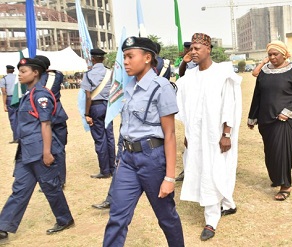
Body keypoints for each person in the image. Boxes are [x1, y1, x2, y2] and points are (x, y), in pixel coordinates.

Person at [103, 37, 184, 246]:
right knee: (117, 217)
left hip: (152, 159)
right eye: (124, 57)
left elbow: (170, 134)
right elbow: (126, 127)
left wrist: (169, 177)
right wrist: (121, 158)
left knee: (166, 217)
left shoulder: (161, 87)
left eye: (130, 56)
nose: (126, 62)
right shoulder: (129, 86)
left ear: (147, 58)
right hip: (128, 160)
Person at [176, 33, 242, 241]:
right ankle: (228, 204)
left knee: (214, 172)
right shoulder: (190, 77)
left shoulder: (222, 73)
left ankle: (211, 220)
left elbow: (229, 105)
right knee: (201, 169)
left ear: (208, 49)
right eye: (191, 49)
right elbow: (182, 96)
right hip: (196, 135)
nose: (193, 52)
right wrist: (188, 133)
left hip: (217, 134)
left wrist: (226, 134)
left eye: (197, 49)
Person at [0, 58, 74, 242]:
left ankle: (65, 219)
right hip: (26, 151)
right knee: (20, 189)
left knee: (50, 187)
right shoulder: (28, 94)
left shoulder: (41, 95)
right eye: (19, 71)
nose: (20, 74)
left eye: (23, 71)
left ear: (35, 73)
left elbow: (46, 124)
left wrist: (47, 152)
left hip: (40, 150)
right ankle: (3, 226)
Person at [248, 40, 292, 200]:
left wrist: (287, 112)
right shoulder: (264, 72)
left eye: (276, 54)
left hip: (285, 121)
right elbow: (257, 95)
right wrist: (252, 116)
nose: (273, 57)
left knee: (282, 153)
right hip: (266, 119)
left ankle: (285, 185)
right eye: (270, 54)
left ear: (284, 54)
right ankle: (276, 178)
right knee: (270, 153)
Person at [81, 48, 116, 178]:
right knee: (110, 138)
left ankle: (105, 171)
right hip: (108, 106)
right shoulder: (110, 72)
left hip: (95, 107)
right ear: (103, 58)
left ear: (93, 59)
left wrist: (86, 114)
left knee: (100, 139)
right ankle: (113, 168)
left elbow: (88, 97)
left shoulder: (88, 74)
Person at [35, 55, 69, 187]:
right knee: (59, 149)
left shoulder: (38, 80)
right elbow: (57, 72)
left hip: (45, 116)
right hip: (58, 114)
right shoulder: (57, 75)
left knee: (47, 149)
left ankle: (53, 180)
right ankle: (60, 179)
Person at [175, 41, 198, 182]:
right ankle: (188, 169)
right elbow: (181, 75)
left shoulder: (202, 63)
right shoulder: (187, 62)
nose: (191, 52)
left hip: (201, 105)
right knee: (188, 138)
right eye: (188, 49)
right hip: (189, 104)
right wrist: (184, 62)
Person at [1, 65, 18, 143]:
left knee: (13, 118)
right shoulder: (18, 78)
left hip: (10, 99)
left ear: (7, 70)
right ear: (13, 71)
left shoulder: (4, 79)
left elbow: (4, 92)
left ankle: (16, 137)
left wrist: (4, 104)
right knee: (21, 118)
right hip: (19, 98)